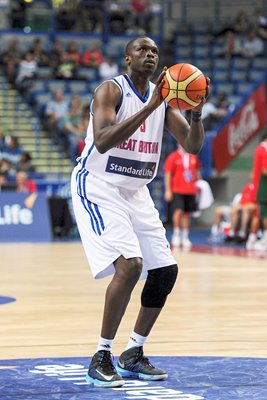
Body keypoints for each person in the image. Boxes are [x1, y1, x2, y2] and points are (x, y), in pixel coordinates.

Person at [71, 36, 209, 388]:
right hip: (99, 185)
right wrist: (153, 107)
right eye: (142, 50)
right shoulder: (111, 91)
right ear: (127, 59)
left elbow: (192, 146)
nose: (149, 55)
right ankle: (101, 355)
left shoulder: (165, 103)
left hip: (136, 190)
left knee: (164, 272)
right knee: (130, 266)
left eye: (155, 52)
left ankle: (133, 352)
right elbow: (102, 140)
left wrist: (196, 114)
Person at [163, 145, 202, 249]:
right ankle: (176, 234)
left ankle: (185, 236)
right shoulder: (173, 157)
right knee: (178, 212)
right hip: (177, 189)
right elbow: (168, 174)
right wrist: (168, 190)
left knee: (187, 214)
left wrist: (199, 183)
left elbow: (197, 172)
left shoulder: (193, 157)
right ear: (178, 144)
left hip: (190, 190)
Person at [249, 130, 267, 251]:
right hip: (262, 186)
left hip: (261, 185)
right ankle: (259, 239)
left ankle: (253, 239)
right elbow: (265, 170)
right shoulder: (262, 150)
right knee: (262, 213)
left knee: (259, 214)